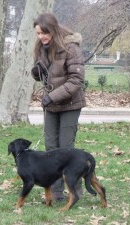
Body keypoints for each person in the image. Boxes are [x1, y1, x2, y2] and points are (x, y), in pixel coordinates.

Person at [31, 13, 86, 201]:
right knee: (51, 149)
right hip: (51, 105)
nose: (41, 37)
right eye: (38, 33)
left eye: (44, 33)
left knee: (66, 149)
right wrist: (37, 72)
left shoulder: (71, 48)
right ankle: (55, 193)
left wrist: (52, 97)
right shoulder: (42, 47)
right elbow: (46, 75)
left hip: (70, 104)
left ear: (53, 29)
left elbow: (76, 80)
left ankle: (75, 193)